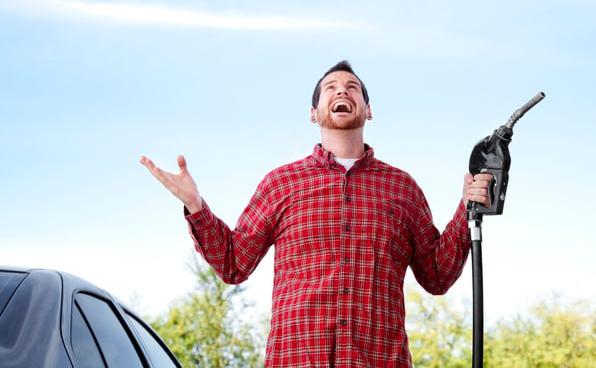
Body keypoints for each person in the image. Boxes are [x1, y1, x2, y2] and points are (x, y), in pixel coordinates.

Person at [140, 61, 492, 367]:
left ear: (368, 110)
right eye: (331, 88)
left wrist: (467, 208)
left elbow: (436, 276)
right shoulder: (282, 184)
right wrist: (195, 206)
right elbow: (234, 263)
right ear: (314, 113)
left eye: (352, 87)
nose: (343, 91)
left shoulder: (402, 188)